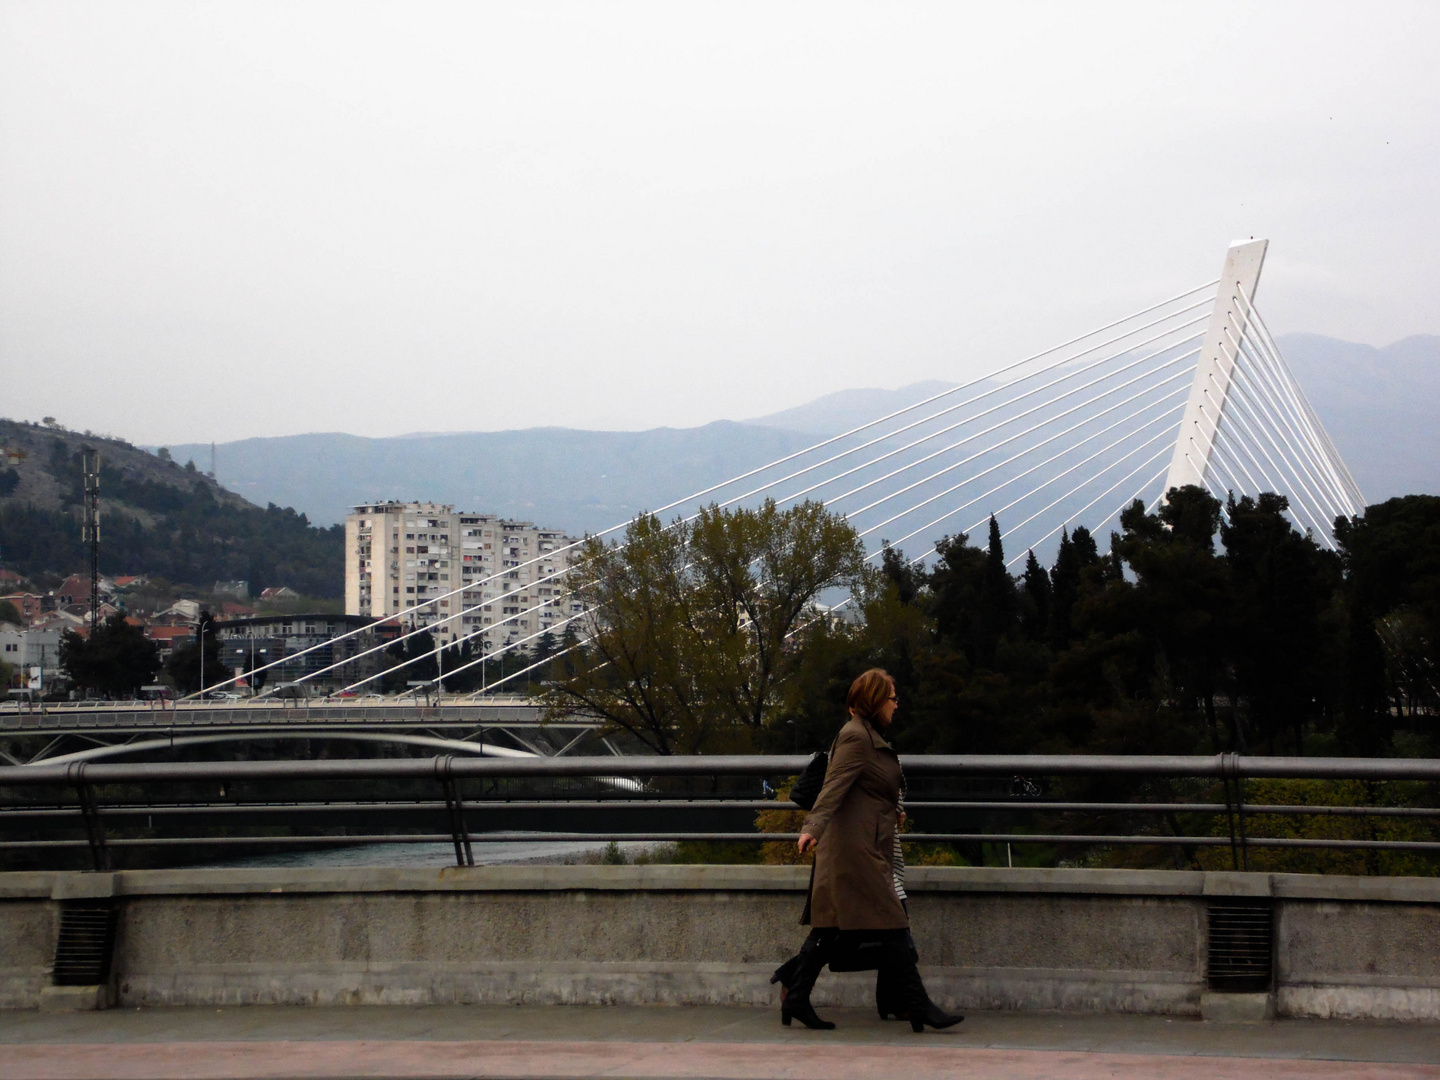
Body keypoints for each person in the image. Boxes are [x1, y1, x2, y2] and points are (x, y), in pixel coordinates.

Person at [773, 668, 963, 1032]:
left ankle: (796, 997)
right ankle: (917, 1005)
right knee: (893, 921)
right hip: (854, 849)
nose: (897, 704)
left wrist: (895, 809)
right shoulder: (856, 737)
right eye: (892, 697)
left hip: (861, 843)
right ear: (876, 701)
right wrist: (812, 827)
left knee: (827, 929)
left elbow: (869, 789)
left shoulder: (868, 734)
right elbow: (833, 787)